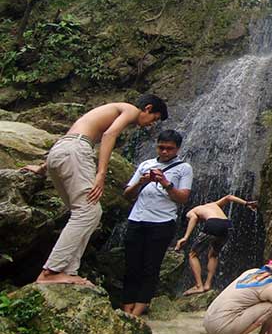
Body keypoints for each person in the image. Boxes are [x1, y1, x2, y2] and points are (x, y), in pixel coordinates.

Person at [20, 95, 168, 286]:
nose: (150, 125)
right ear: (147, 108)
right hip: (76, 151)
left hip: (61, 152)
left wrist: (42, 167)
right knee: (87, 211)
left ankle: (67, 271)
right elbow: (109, 135)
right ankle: (51, 271)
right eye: (154, 118)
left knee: (86, 212)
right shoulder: (130, 110)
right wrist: (101, 173)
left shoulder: (112, 109)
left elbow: (70, 138)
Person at [121, 129, 193, 316]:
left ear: (177, 149)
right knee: (131, 264)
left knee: (151, 266)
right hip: (136, 219)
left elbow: (183, 198)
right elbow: (127, 194)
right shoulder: (146, 164)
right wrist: (141, 183)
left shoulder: (184, 168)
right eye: (161, 147)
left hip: (162, 222)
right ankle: (126, 305)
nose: (164, 152)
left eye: (169, 149)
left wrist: (166, 183)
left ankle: (138, 310)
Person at [202, 259, 272, 334]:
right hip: (222, 328)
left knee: (269, 303)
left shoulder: (252, 272)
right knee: (271, 307)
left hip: (208, 323)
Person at [174, 194, 257, 294]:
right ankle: (207, 284)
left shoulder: (191, 212)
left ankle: (199, 286)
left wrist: (185, 237)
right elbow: (229, 197)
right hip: (227, 226)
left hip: (213, 224)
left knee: (192, 254)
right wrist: (246, 203)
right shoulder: (213, 204)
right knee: (213, 254)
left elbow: (193, 219)